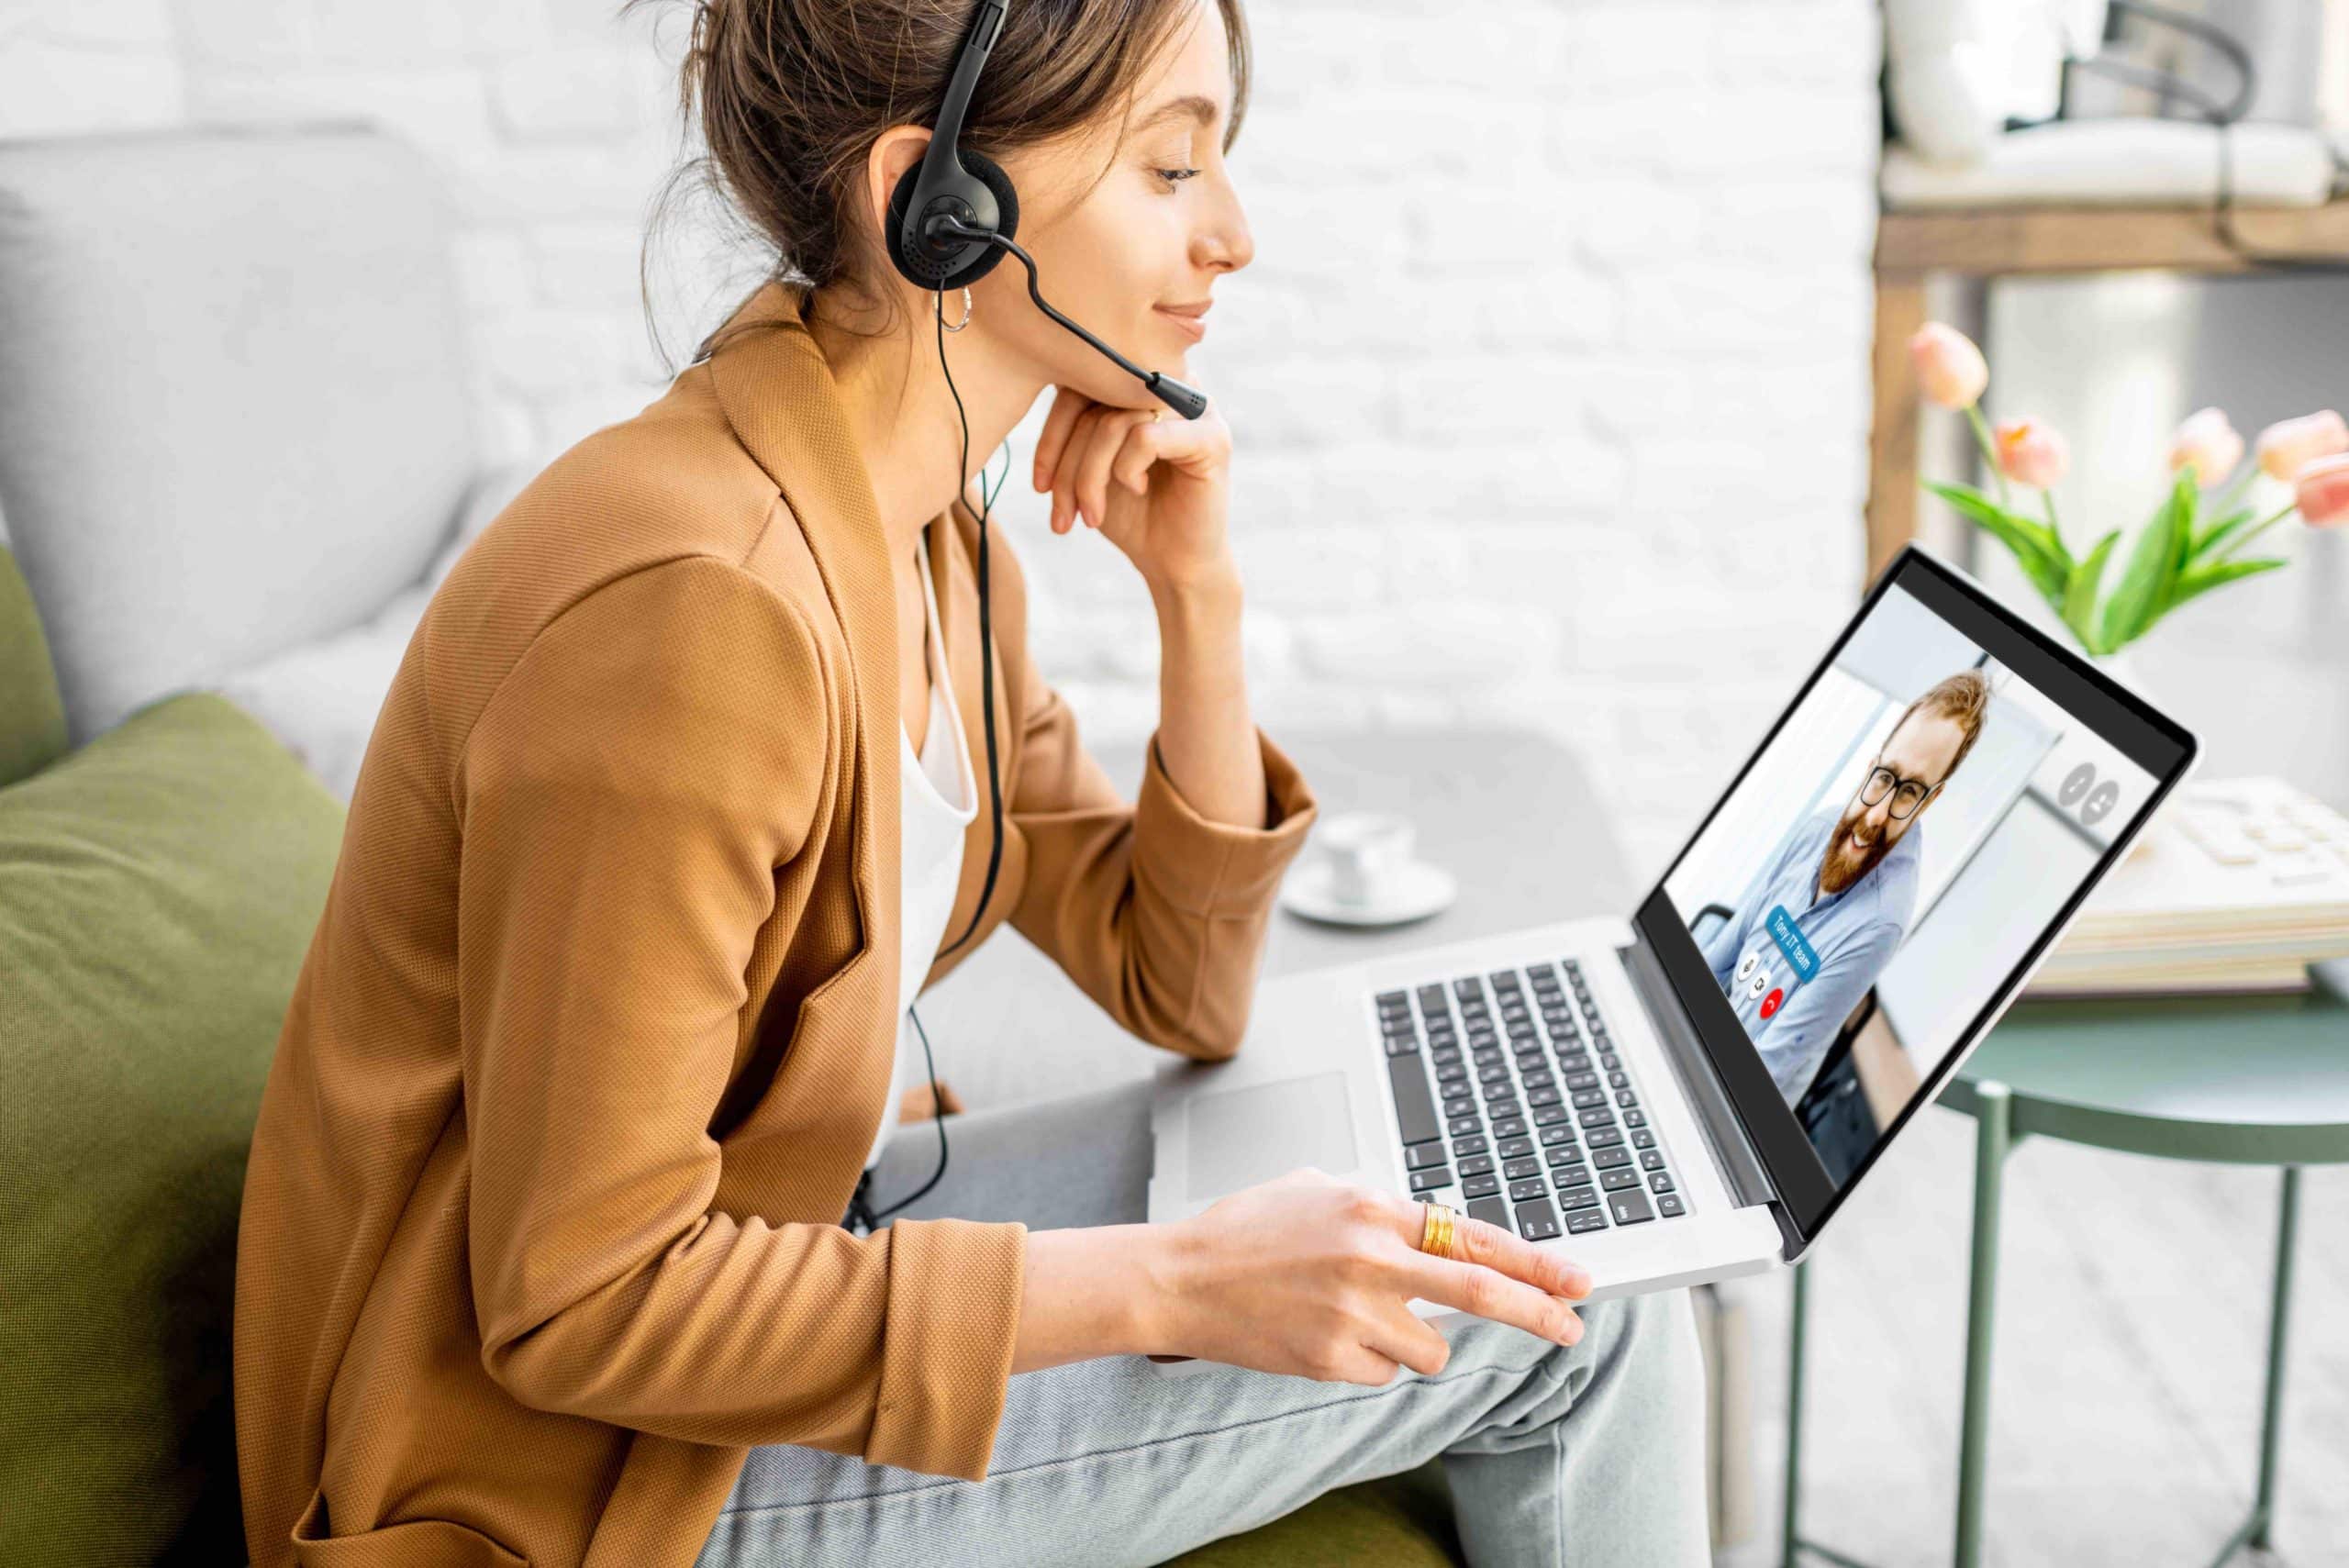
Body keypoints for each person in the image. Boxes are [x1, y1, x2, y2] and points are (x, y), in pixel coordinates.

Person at [232, 3, 1709, 1565]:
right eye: (1169, 167)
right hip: (552, 1482)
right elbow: (582, 1299)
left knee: (1489, 1215)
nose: (1233, 234)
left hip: (780, 1252)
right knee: (1563, 1316)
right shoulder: (695, 609)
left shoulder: (935, 545)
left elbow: (1179, 981)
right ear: (934, 207)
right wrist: (1174, 1280)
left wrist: (1194, 600)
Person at [1698, 670, 1992, 1107]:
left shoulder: (1881, 923)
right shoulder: (1819, 827)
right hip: (1711, 1042)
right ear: (1873, 763)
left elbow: (1768, 1068)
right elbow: (1724, 953)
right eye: (1885, 777)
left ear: (1931, 800)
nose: (1877, 817)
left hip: (1746, 1097)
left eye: (1910, 792)